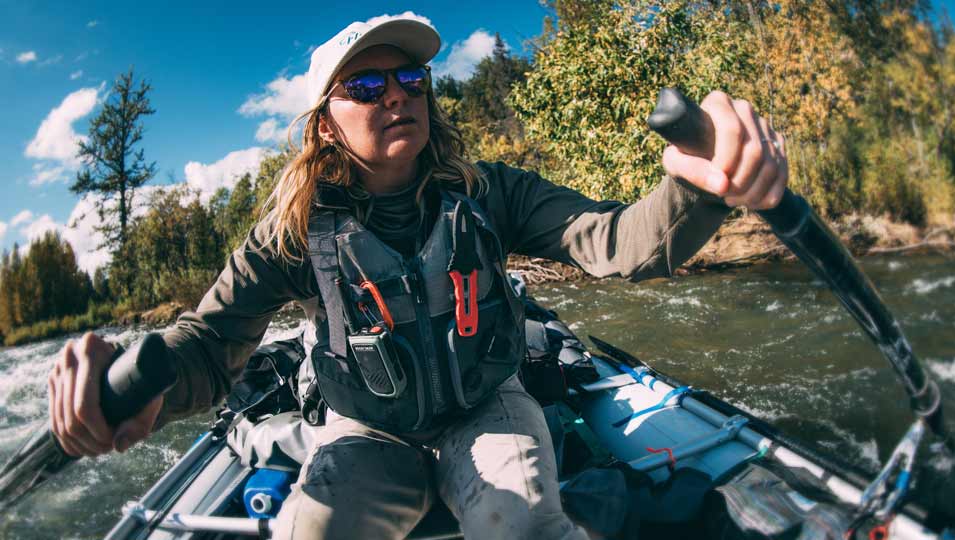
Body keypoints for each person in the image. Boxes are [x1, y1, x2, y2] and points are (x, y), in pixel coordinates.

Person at [46, 16, 788, 540]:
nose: (396, 93)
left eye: (409, 77)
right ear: (325, 125)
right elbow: (207, 347)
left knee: (522, 526)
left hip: (486, 405)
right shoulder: (292, 231)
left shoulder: (492, 191)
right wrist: (138, 383)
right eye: (365, 87)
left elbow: (616, 243)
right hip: (367, 429)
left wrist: (696, 187)